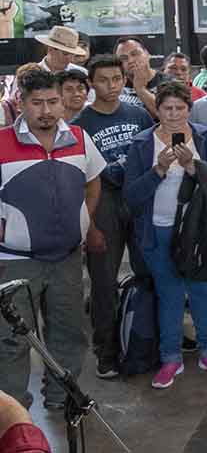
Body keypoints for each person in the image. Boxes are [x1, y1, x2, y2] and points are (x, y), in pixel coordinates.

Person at [0, 69, 106, 410]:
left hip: (67, 258)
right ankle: (13, 413)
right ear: (21, 103)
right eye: (36, 103)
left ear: (62, 101)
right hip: (15, 261)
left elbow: (93, 182)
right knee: (12, 341)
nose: (45, 111)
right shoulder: (1, 143)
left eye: (52, 102)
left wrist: (86, 222)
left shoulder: (79, 137)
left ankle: (63, 401)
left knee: (70, 334)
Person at [124, 81, 207, 389]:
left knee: (201, 292)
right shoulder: (142, 144)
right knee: (169, 294)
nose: (173, 115)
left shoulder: (204, 137)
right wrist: (158, 170)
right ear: (156, 110)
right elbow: (132, 196)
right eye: (167, 108)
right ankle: (170, 357)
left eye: (180, 108)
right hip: (157, 230)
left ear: (189, 109)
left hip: (197, 230)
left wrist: (192, 167)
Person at [73, 55, 154, 379]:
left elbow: (151, 157)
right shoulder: (81, 124)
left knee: (150, 272)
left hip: (137, 198)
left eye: (117, 79)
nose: (111, 86)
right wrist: (88, 225)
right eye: (103, 80)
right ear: (91, 83)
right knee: (104, 282)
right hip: (101, 201)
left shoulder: (137, 115)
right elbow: (77, 180)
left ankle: (152, 338)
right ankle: (105, 350)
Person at [115, 37, 165, 119]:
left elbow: (169, 116)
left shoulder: (170, 82)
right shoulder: (115, 86)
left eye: (135, 54)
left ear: (147, 54)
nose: (130, 60)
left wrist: (140, 89)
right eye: (123, 58)